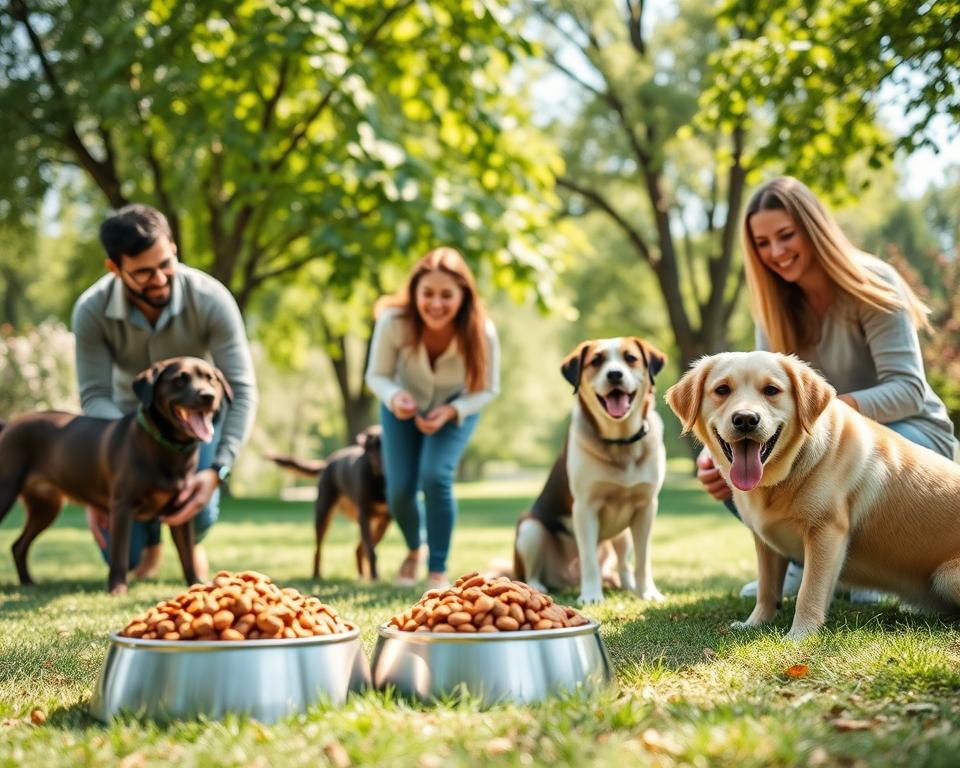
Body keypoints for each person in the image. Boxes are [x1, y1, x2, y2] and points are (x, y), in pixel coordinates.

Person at [696, 176, 958, 601]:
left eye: (786, 235)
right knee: (732, 464)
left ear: (813, 229)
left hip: (909, 438)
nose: (776, 252)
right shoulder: (773, 307)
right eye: (763, 244)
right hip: (823, 442)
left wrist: (825, 410)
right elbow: (760, 403)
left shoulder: (872, 283)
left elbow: (908, 389)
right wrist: (715, 450)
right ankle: (809, 561)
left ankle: (866, 568)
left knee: (852, 464)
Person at [71, 204, 258, 582]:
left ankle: (191, 538)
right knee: (122, 550)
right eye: (143, 272)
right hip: (124, 422)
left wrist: (218, 470)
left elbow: (241, 389)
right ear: (115, 269)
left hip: (194, 421)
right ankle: (151, 543)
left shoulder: (211, 298)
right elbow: (94, 394)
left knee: (197, 509)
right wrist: (106, 470)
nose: (159, 279)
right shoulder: (91, 310)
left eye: (166, 264)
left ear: (173, 247)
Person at [364, 247, 500, 590]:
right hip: (401, 405)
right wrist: (395, 398)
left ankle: (437, 569)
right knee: (399, 490)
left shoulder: (482, 332)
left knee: (435, 476)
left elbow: (488, 389)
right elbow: (376, 375)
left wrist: (453, 411)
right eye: (427, 294)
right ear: (414, 293)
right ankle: (415, 549)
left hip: (457, 407)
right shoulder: (392, 322)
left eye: (446, 295)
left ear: (463, 295)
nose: (436, 304)